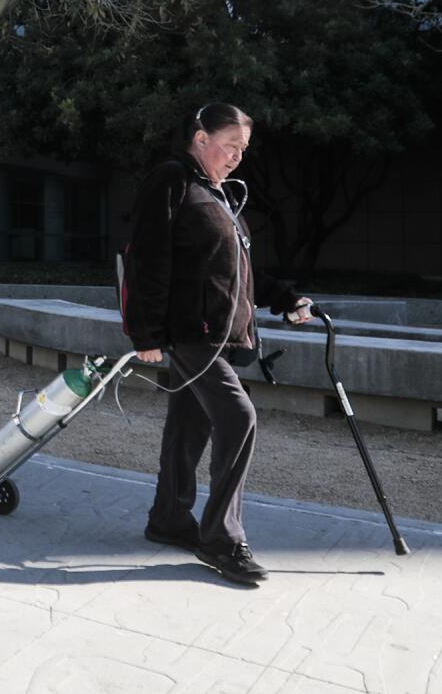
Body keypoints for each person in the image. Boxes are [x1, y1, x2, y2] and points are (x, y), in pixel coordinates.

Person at [122, 103, 314, 588]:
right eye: (230, 146)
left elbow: (238, 275)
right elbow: (145, 257)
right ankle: (221, 539)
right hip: (192, 333)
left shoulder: (218, 196)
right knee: (239, 417)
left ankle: (168, 518)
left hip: (220, 334)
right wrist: (145, 334)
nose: (236, 157)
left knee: (189, 426)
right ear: (201, 137)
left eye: (243, 150)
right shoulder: (172, 180)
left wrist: (285, 298)